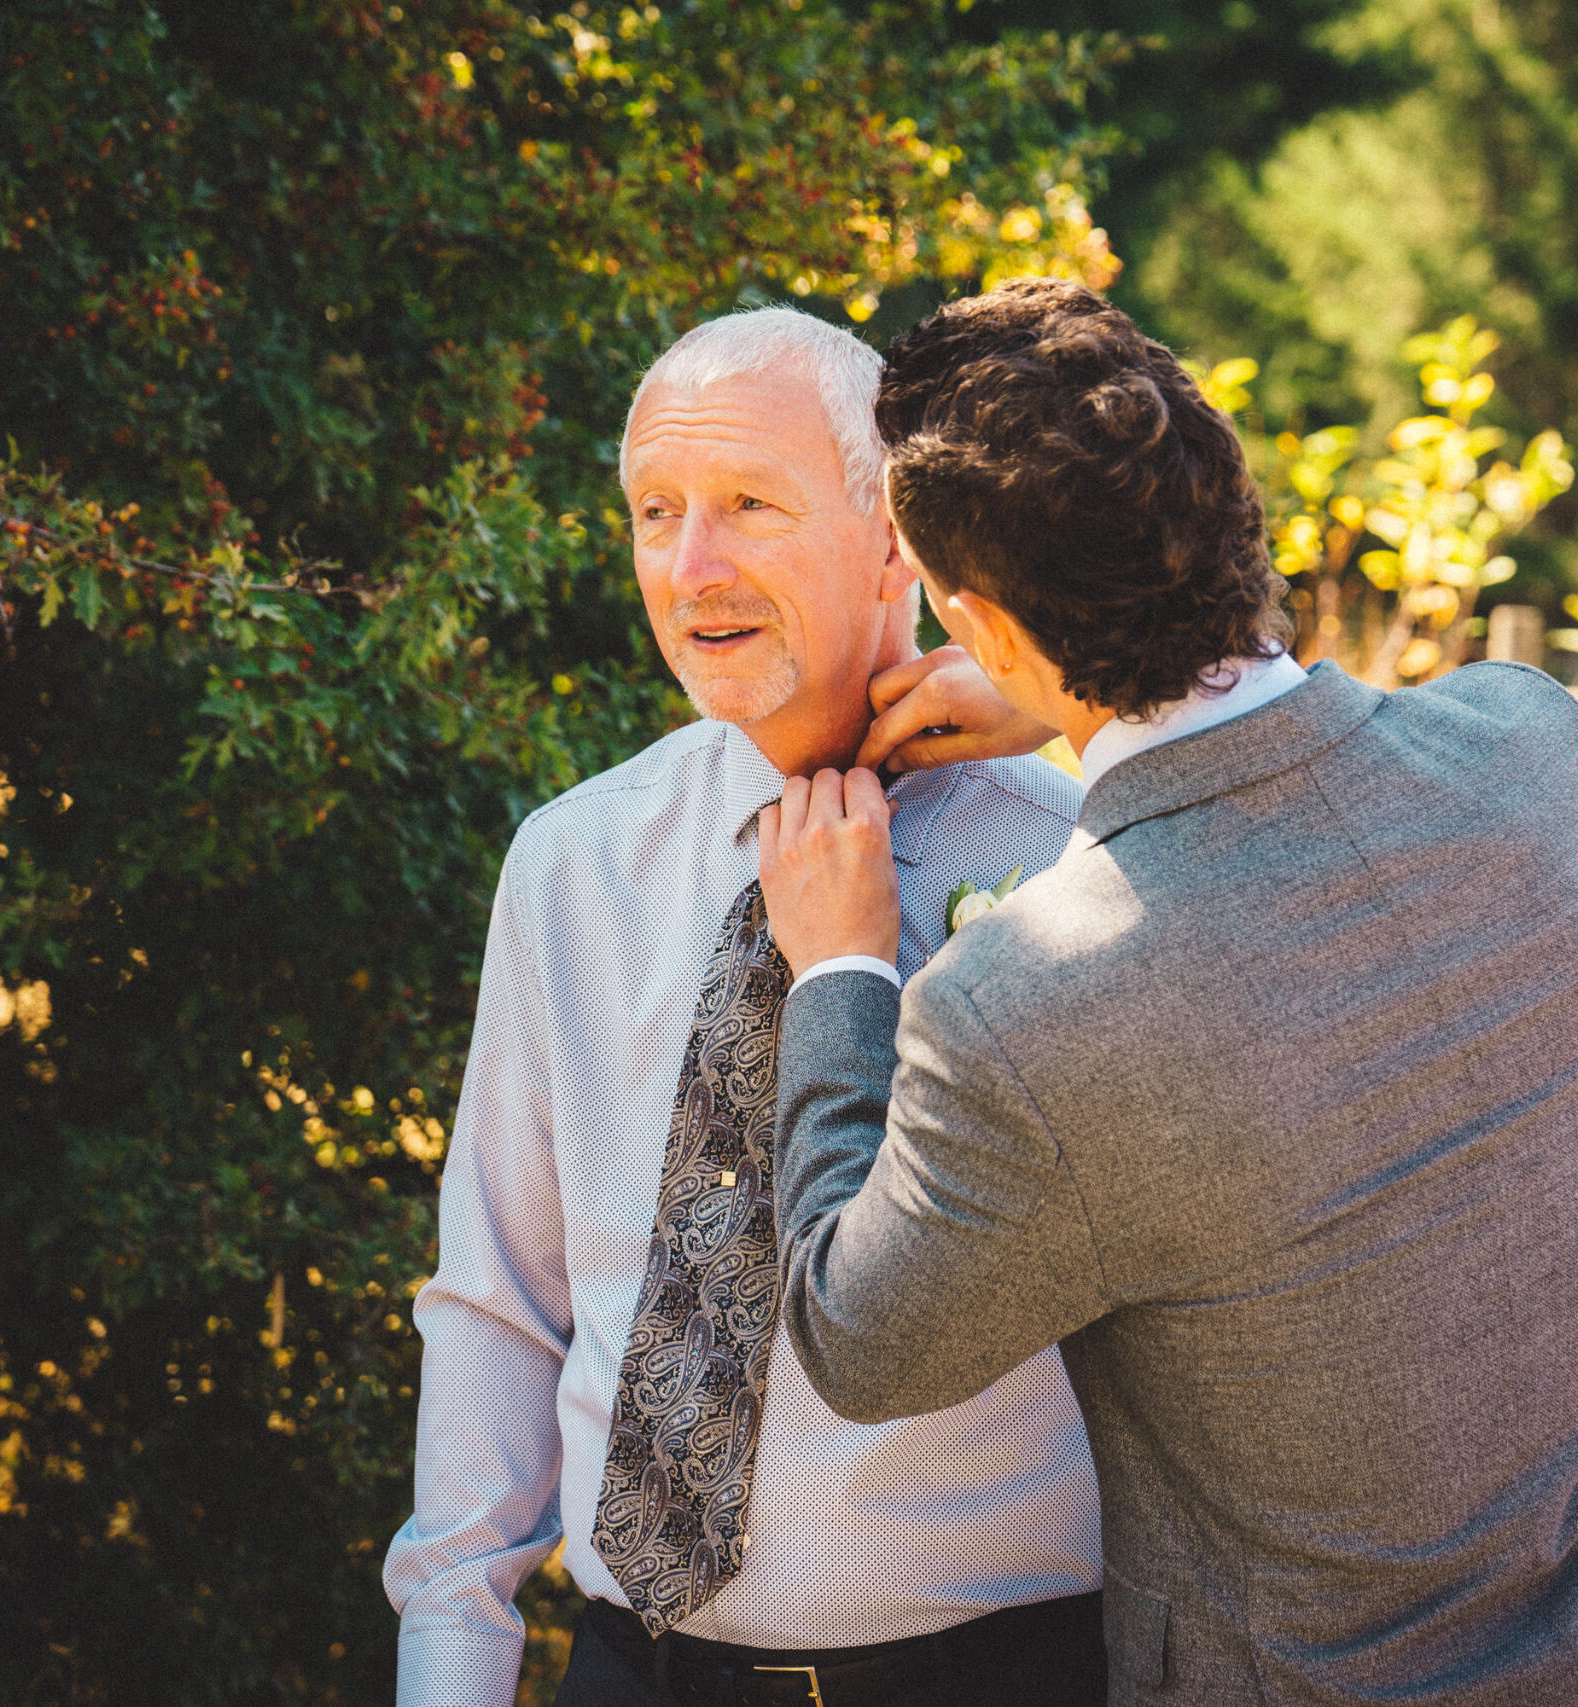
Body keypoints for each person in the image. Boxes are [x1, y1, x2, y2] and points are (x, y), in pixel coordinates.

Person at [757, 278, 1578, 1705]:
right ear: (1228, 506)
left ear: (979, 625)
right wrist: (1069, 690)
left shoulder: (1027, 1006)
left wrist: (842, 968)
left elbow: (860, 1342)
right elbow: (1284, 745)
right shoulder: (1533, 748)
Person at [382, 306, 1109, 1707]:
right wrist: (451, 1676)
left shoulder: (1079, 866)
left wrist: (1077, 706)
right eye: (657, 513)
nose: (691, 568)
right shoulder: (573, 863)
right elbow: (496, 1305)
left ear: (894, 538)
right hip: (629, 1674)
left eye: (749, 506)